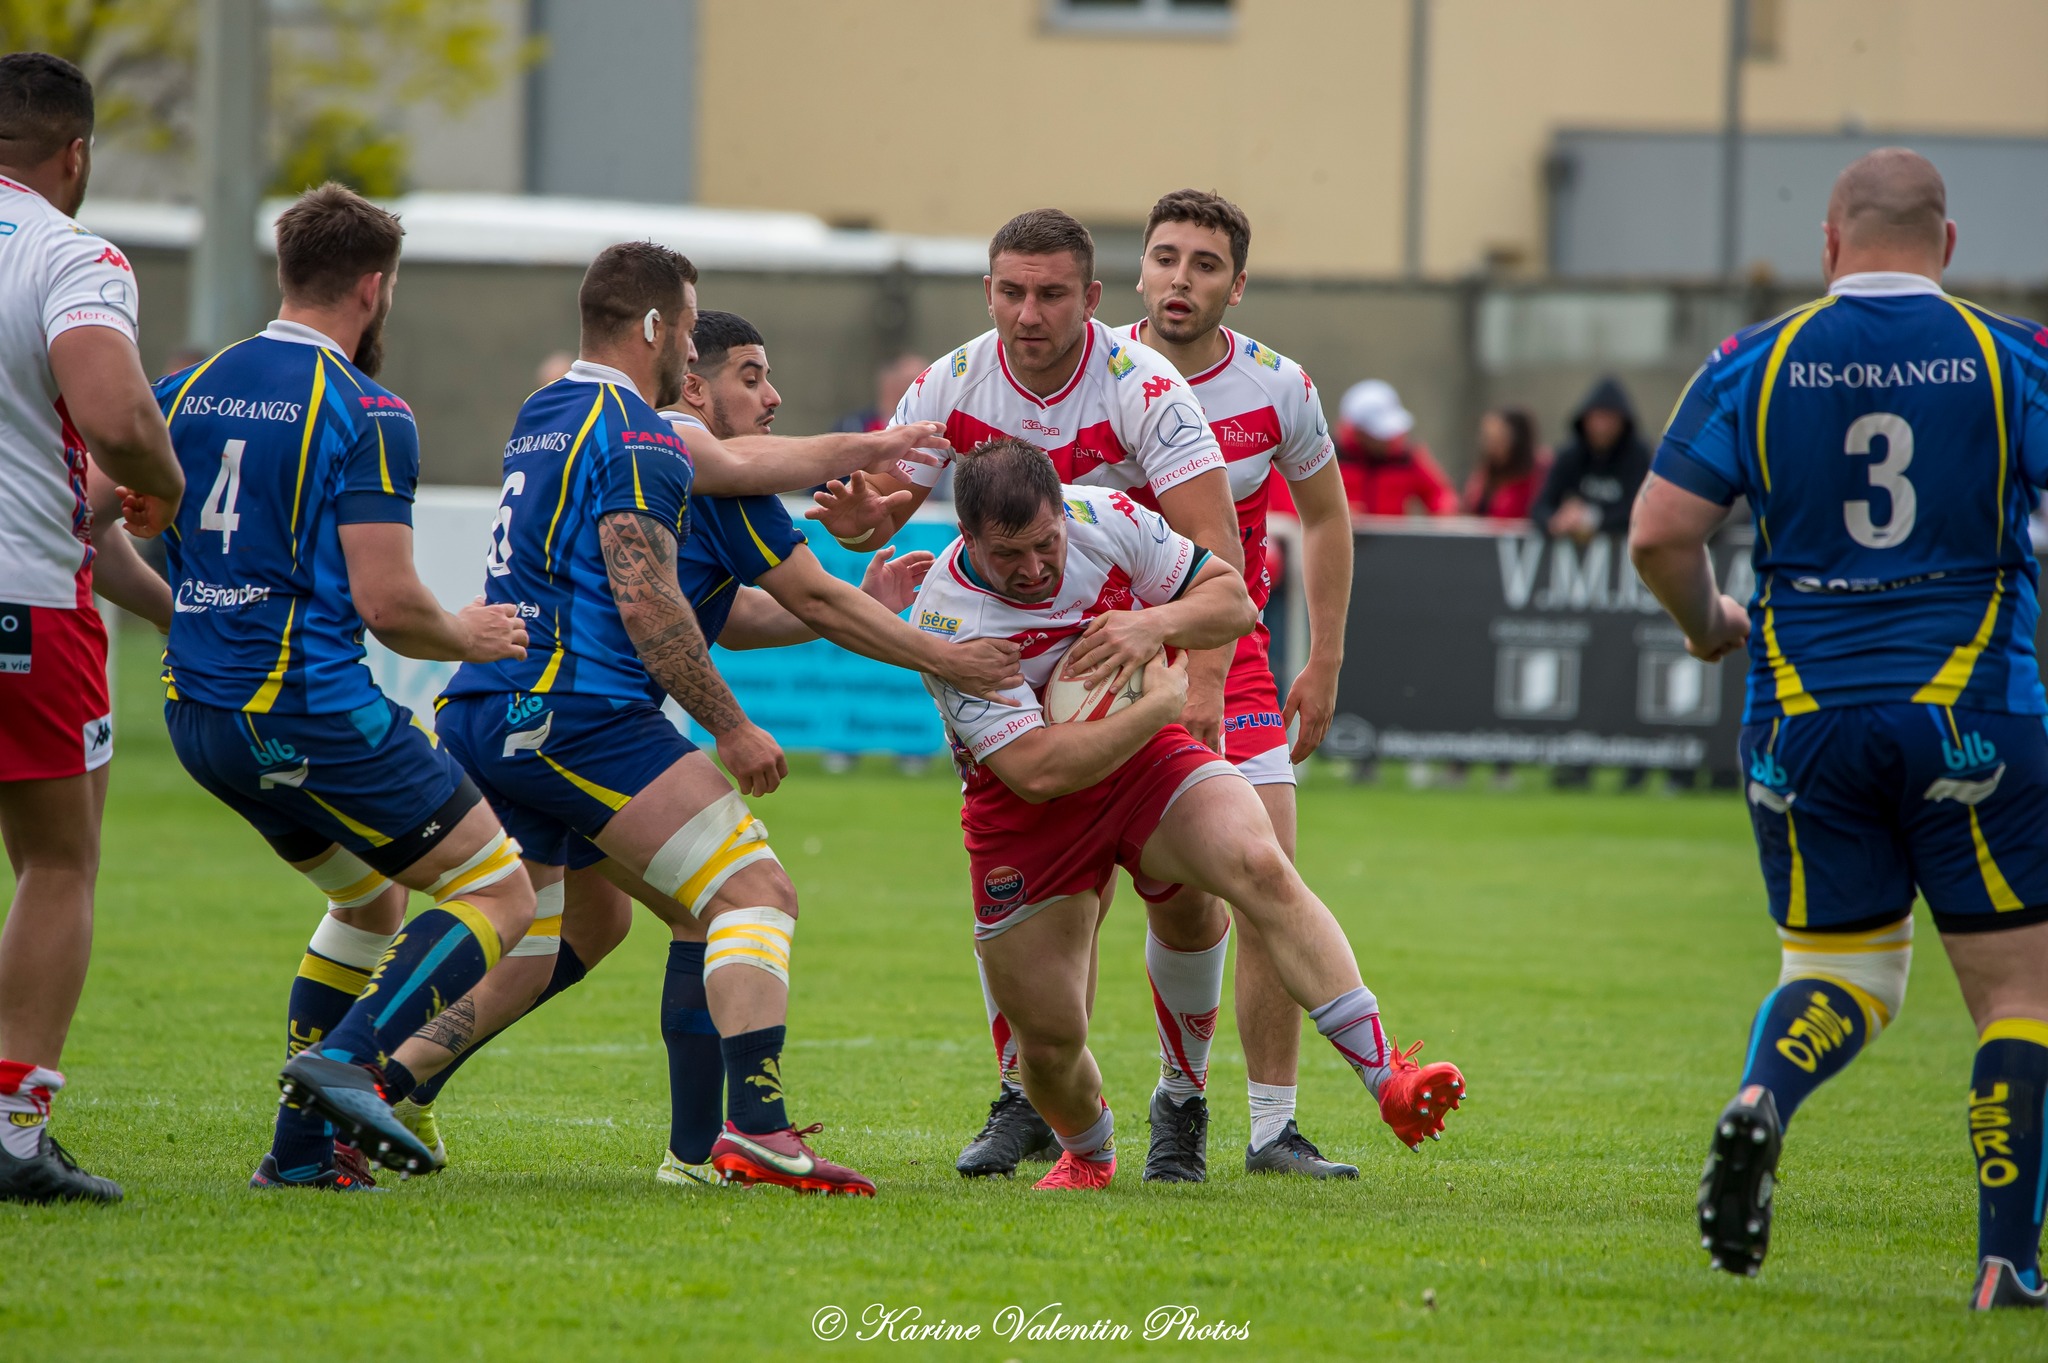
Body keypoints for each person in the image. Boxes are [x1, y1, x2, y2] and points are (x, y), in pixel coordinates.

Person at [392, 310, 1021, 1188]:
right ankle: (755, 1126)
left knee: (582, 924)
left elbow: (758, 610)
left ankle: (399, 1082)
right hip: (575, 713)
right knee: (755, 889)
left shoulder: (582, 423)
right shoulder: (679, 449)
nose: (773, 397)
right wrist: (945, 655)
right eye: (752, 377)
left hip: (491, 705)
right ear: (692, 382)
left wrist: (858, 592)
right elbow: (791, 580)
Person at [1632, 148, 2048, 1310]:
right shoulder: (2009, 356)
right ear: (1947, 244)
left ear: (1827, 243)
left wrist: (1709, 619)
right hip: (1971, 712)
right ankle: (2003, 1264)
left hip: (1800, 715)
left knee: (1841, 970)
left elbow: (1657, 532)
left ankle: (1763, 1098)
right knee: (2017, 992)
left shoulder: (1751, 361)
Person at [805, 208, 1248, 1176]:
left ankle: (1183, 1098)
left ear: (1090, 300)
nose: (1026, 312)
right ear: (987, 292)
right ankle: (1025, 1096)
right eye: (1010, 290)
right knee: (1018, 902)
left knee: (1186, 901)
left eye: (1049, 292)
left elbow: (1216, 551)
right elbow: (885, 505)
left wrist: (1198, 683)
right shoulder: (951, 383)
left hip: (1133, 660)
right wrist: (861, 521)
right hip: (1008, 683)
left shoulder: (1143, 387)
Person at [910, 440, 1463, 1191]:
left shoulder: (1101, 517)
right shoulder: (947, 618)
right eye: (1011, 555)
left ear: (1060, 511)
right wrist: (1163, 703)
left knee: (1259, 863)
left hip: (1144, 765)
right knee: (1048, 1043)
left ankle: (1386, 1075)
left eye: (1047, 543)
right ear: (966, 539)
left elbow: (1232, 601)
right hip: (1026, 809)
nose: (1037, 568)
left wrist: (1151, 625)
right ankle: (1090, 1148)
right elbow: (1038, 771)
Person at [952, 187, 1359, 1185]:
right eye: (1166, 259)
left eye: (1204, 264)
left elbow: (1319, 520)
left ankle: (1261, 1123)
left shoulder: (1278, 386)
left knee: (1254, 875)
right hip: (1079, 663)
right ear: (1135, 272)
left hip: (1223, 645)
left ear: (1236, 282)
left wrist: (1322, 659)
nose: (1181, 280)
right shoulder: (1078, 369)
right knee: (1061, 889)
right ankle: (1026, 1100)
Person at [150, 183, 540, 1187]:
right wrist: (473, 633)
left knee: (367, 901)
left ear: (289, 272)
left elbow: (100, 512)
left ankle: (300, 1155)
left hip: (198, 716)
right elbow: (390, 603)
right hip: (308, 709)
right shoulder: (366, 410)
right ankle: (349, 1060)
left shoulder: (186, 388)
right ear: (374, 288)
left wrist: (182, 607)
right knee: (494, 888)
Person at [0, 52, 187, 1205]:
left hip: (45, 564)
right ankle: (13, 1131)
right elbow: (115, 419)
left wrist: (180, 615)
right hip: (21, 601)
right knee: (57, 860)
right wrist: (156, 475)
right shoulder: (67, 253)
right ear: (75, 156)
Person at [1533, 377, 1649, 546]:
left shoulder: (1638, 457)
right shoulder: (1569, 455)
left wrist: (1591, 519)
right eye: (1597, 418)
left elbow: (1640, 512)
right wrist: (1556, 521)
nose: (1601, 427)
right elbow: (1540, 506)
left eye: (1609, 419)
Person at [1332, 380, 1456, 517]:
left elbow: (1439, 493)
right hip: (1340, 537)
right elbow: (1307, 504)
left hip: (1392, 538)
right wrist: (1337, 515)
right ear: (1359, 431)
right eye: (1380, 434)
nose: (1390, 439)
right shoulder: (1329, 458)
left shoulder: (1407, 457)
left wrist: (1443, 516)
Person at [1461, 407, 1549, 521]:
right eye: (1488, 438)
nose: (1491, 445)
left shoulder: (1538, 473)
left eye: (1499, 438)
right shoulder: (1484, 474)